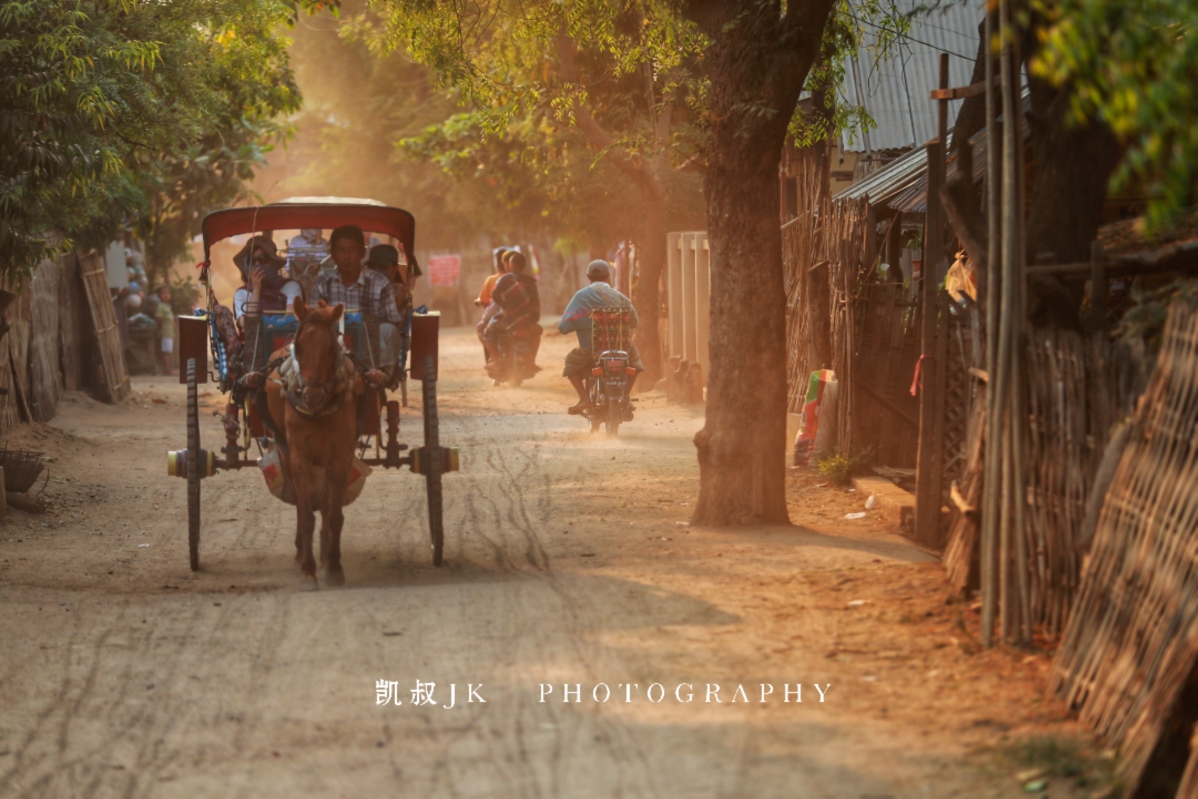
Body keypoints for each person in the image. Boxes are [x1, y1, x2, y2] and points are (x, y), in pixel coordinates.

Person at [310, 225, 407, 384]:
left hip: (370, 344)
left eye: (352, 250)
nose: (346, 256)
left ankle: (381, 376)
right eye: (341, 250)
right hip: (332, 346)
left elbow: (390, 321)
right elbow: (314, 323)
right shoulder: (321, 284)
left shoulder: (380, 283)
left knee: (390, 330)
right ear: (333, 254)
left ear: (362, 253)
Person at [558, 259, 643, 416]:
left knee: (570, 363)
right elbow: (634, 322)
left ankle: (584, 398)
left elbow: (563, 326)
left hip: (590, 351)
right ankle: (625, 396)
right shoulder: (620, 297)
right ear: (608, 277)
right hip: (621, 349)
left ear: (589, 277)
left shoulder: (580, 296)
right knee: (635, 363)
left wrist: (578, 324)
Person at [481, 251, 541, 370]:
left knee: (488, 333)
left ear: (512, 264)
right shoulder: (531, 281)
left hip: (508, 319)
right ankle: (531, 362)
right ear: (523, 265)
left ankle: (497, 362)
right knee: (537, 333)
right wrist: (534, 318)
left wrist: (505, 305)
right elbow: (536, 303)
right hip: (527, 320)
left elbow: (495, 295)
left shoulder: (504, 279)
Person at [232, 236, 303, 324]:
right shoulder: (242, 293)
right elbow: (246, 324)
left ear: (273, 262)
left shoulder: (290, 286)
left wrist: (274, 325)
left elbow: (292, 317)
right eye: (252, 260)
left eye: (263, 258)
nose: (257, 264)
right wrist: (256, 290)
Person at [153, 285, 176, 376]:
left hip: (170, 333)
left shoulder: (167, 306)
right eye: (163, 294)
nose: (166, 295)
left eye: (167, 293)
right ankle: (167, 370)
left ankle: (169, 369)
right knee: (166, 352)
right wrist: (160, 328)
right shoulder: (161, 306)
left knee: (168, 351)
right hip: (165, 332)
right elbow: (158, 319)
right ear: (159, 295)